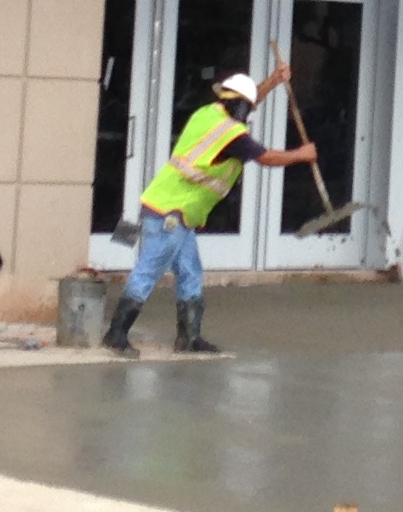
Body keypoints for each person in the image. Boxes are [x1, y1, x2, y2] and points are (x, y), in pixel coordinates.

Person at [103, 64, 318, 355]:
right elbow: (266, 158)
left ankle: (189, 339)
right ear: (240, 106)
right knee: (149, 269)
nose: (248, 111)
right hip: (170, 211)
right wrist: (300, 155)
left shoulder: (209, 113)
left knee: (190, 271)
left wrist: (274, 81)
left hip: (177, 212)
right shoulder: (232, 135)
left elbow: (249, 100)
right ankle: (116, 334)